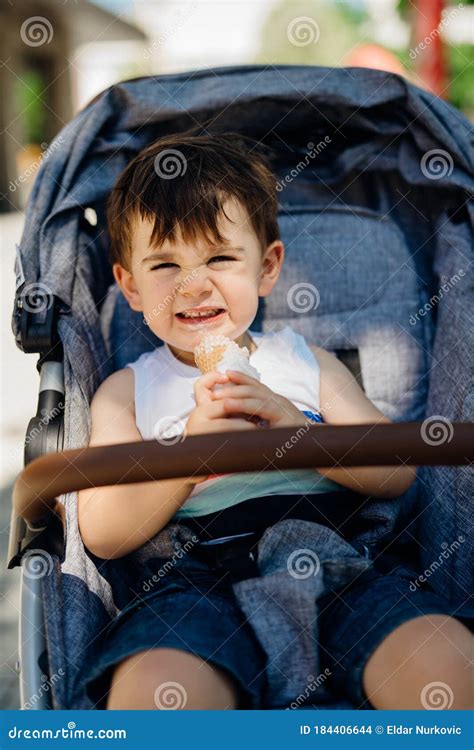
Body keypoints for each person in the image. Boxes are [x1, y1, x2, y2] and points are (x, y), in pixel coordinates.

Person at [77, 132, 473, 711]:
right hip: (194, 581)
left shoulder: (309, 363)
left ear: (267, 267)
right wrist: (190, 458)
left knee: (443, 666)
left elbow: (396, 474)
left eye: (219, 257)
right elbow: (104, 532)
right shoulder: (126, 391)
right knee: (157, 690)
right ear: (131, 287)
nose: (194, 285)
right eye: (165, 264)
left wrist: (304, 439)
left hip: (341, 562)